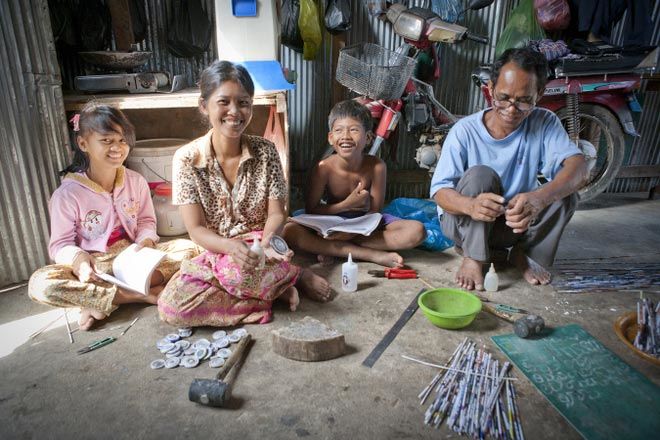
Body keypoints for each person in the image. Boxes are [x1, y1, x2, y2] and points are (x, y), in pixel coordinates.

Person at [157, 61, 333, 328]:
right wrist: (230, 248)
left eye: (243, 102)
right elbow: (195, 230)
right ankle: (280, 286)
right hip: (218, 249)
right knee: (172, 308)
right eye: (224, 102)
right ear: (204, 106)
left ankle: (286, 278)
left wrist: (265, 242)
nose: (234, 112)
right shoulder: (186, 159)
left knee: (239, 273)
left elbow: (277, 213)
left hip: (259, 246)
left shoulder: (266, 151)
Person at [28, 103, 199, 330]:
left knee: (191, 250)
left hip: (133, 258)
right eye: (106, 141)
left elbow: (146, 221)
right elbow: (60, 245)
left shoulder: (135, 180)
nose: (117, 148)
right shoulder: (67, 194)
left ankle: (98, 301)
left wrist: (145, 243)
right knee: (41, 284)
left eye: (122, 140)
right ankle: (137, 296)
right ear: (83, 143)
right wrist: (79, 262)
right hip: (96, 265)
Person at [430, 48, 588, 291]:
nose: (511, 109)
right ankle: (474, 257)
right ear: (491, 88)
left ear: (540, 94)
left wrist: (539, 198)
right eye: (503, 97)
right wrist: (470, 205)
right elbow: (440, 192)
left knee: (565, 194)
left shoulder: (544, 122)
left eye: (524, 101)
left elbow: (578, 168)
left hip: (513, 224)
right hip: (464, 224)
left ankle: (524, 253)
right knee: (480, 175)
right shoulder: (465, 130)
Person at [283, 100, 426, 268]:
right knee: (289, 231)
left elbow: (375, 212)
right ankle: (370, 254)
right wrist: (346, 205)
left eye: (354, 130)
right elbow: (312, 209)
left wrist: (349, 234)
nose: (345, 136)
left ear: (368, 138)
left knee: (417, 232)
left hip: (366, 224)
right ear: (330, 138)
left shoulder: (377, 166)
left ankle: (334, 249)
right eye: (339, 130)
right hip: (331, 222)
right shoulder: (323, 168)